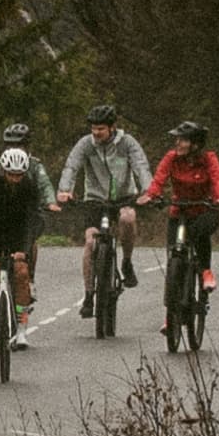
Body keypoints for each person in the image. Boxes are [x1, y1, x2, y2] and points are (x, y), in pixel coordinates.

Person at [57, 102, 151, 317]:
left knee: (128, 219)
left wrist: (148, 191)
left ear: (112, 127)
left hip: (123, 197)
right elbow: (72, 167)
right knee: (90, 242)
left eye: (100, 128)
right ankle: (89, 295)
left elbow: (141, 166)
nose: (96, 133)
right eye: (93, 128)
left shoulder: (127, 143)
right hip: (95, 200)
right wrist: (64, 190)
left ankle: (126, 262)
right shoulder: (85, 145)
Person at [141, 121, 219, 333]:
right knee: (174, 260)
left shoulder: (209, 159)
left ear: (195, 144)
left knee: (199, 235)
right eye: (177, 139)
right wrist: (151, 195)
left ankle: (206, 272)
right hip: (179, 210)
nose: (177, 143)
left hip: (204, 209)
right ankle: (170, 316)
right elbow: (159, 179)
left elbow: (218, 179)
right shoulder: (171, 158)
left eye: (182, 140)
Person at [0, 120, 56, 298]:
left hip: (25, 217)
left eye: (18, 145)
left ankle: (29, 278)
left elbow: (45, 184)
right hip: (0, 220)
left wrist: (51, 202)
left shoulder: (35, 167)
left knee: (28, 246)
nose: (13, 148)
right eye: (9, 145)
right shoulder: (0, 168)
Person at [0, 145, 43, 347]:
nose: (15, 179)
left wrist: (24, 250)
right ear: (3, 171)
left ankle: (21, 329)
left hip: (18, 237)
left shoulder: (29, 187)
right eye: (11, 174)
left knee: (21, 275)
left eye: (19, 175)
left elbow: (32, 220)